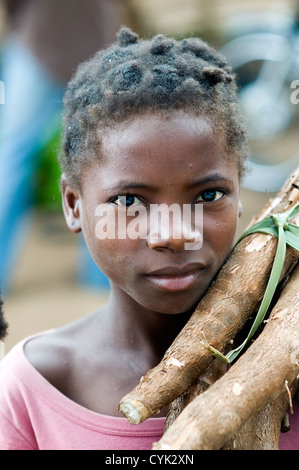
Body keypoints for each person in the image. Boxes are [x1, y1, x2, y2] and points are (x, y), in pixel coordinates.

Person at [0, 27, 297, 450]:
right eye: (129, 201)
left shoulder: (288, 358)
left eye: (208, 195)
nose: (174, 235)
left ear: (239, 193)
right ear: (73, 205)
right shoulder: (36, 388)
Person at [0, 0, 125, 294]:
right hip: (91, 41)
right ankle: (101, 274)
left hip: (39, 40)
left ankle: (100, 274)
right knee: (99, 156)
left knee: (13, 157)